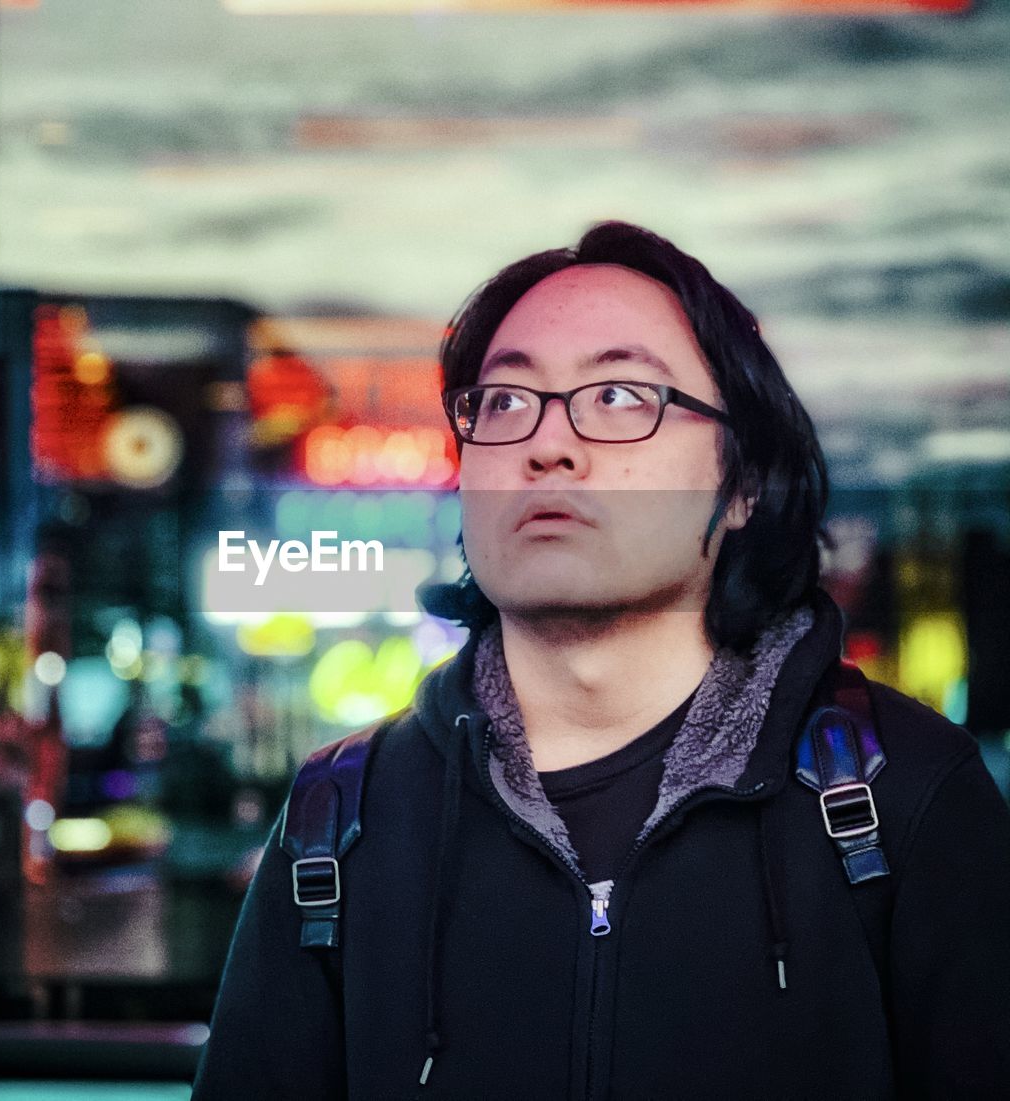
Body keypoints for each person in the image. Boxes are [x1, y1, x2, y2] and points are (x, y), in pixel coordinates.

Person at [192, 222, 1010, 1099]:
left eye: (620, 396)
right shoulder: (341, 820)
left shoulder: (900, 794)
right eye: (504, 401)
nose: (548, 444)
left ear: (744, 486)